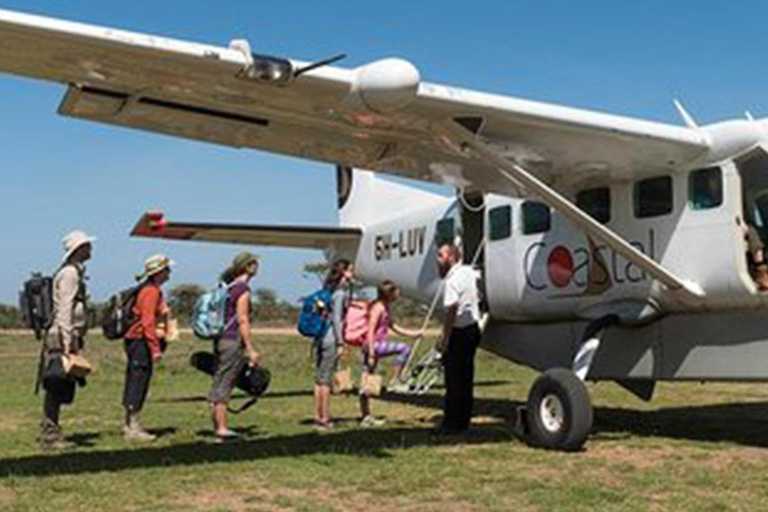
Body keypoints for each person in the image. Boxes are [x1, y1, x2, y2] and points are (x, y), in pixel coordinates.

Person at [39, 230, 94, 450]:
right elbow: (65, 309)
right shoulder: (70, 274)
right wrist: (68, 341)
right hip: (62, 337)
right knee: (56, 383)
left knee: (60, 383)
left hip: (64, 335)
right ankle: (50, 433)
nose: (90, 249)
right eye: (87, 245)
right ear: (78, 249)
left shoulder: (72, 271)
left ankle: (50, 429)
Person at [210, 252, 261, 442]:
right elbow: (242, 319)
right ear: (248, 266)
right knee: (225, 383)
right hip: (232, 340)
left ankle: (217, 425)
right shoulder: (243, 289)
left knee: (219, 380)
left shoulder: (228, 287)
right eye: (254, 263)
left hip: (220, 339)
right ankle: (222, 430)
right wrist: (249, 348)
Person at [122, 254, 173, 441]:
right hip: (140, 342)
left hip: (137, 341)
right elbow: (147, 322)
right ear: (159, 272)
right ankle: (133, 428)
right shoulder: (151, 292)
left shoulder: (149, 289)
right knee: (138, 382)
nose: (169, 272)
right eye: (167, 269)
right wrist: (155, 348)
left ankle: (130, 425)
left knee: (136, 380)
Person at [359, 280, 422, 427]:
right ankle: (395, 380)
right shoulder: (378, 308)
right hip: (373, 346)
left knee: (367, 381)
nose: (399, 294)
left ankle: (366, 416)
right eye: (396, 291)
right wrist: (373, 352)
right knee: (403, 349)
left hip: (375, 346)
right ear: (389, 293)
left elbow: (394, 327)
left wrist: (413, 334)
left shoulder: (385, 308)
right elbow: (370, 329)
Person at [435, 242, 482, 434]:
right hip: (472, 329)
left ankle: (451, 423)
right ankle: (463, 420)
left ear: (450, 257)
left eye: (440, 255)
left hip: (459, 332)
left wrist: (445, 338)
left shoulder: (452, 280)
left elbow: (452, 308)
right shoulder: (469, 272)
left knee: (453, 380)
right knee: (466, 378)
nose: (437, 260)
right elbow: (479, 291)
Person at [313, 259, 354, 430]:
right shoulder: (340, 294)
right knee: (326, 381)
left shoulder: (330, 291)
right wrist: (340, 342)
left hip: (321, 337)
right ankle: (325, 418)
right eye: (350, 270)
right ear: (344, 272)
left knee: (319, 379)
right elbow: (338, 319)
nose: (353, 273)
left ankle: (318, 415)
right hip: (331, 339)